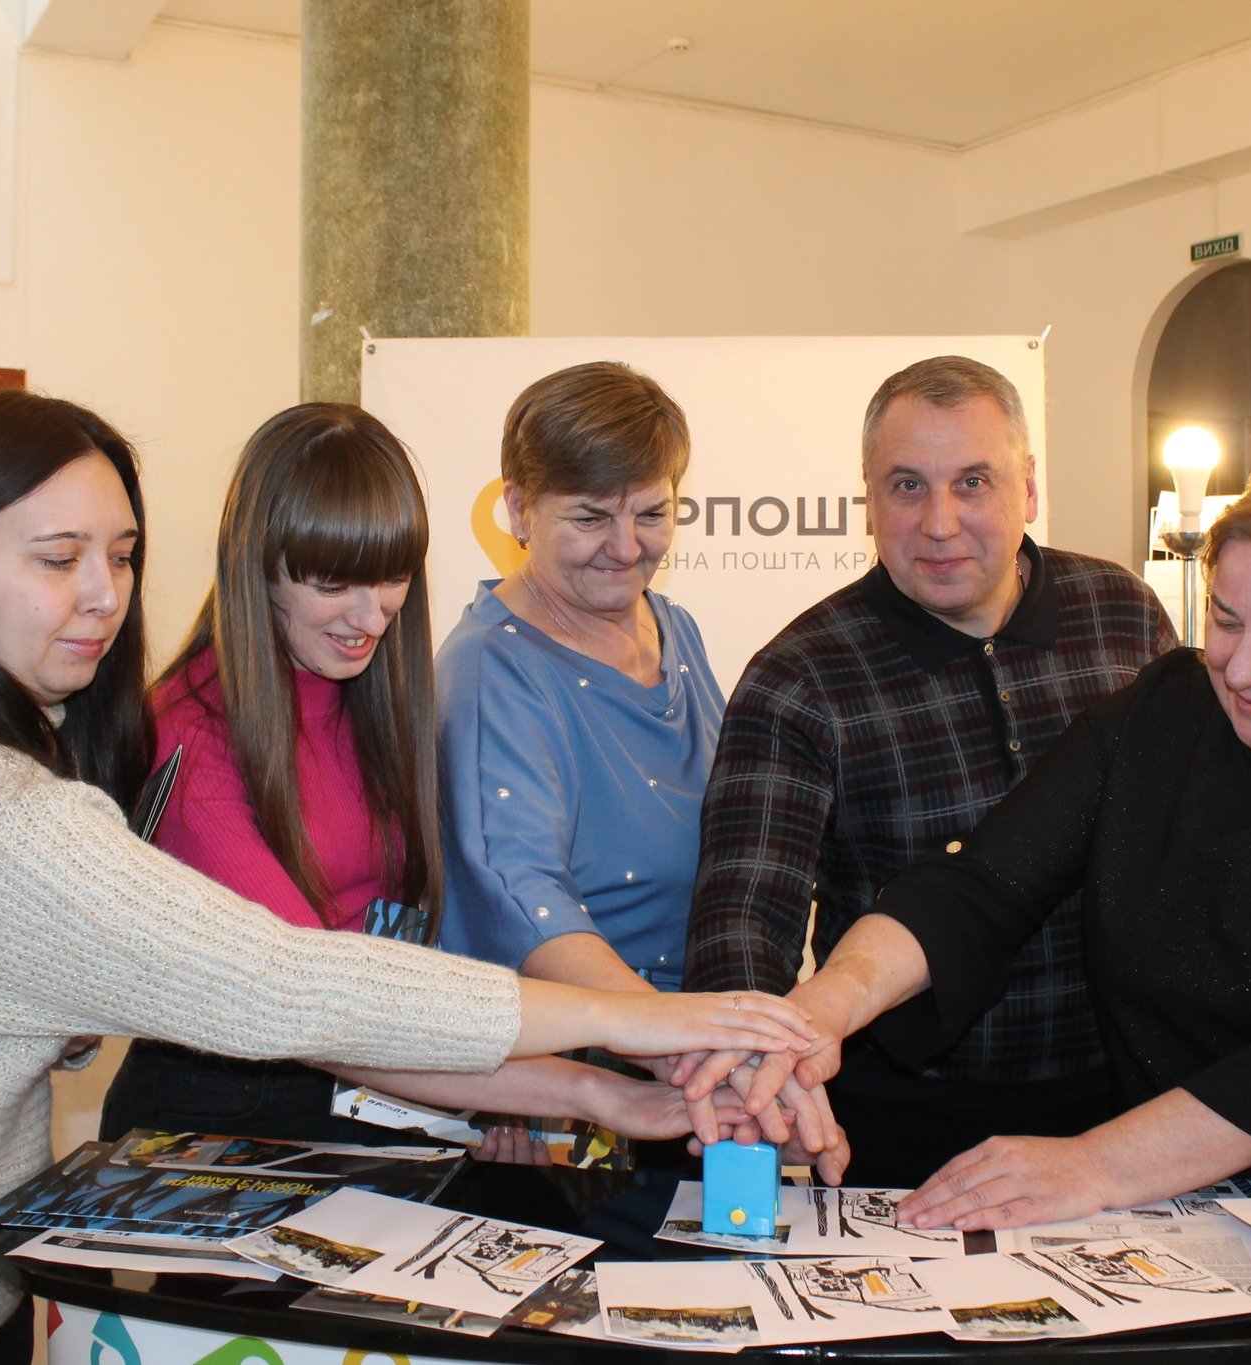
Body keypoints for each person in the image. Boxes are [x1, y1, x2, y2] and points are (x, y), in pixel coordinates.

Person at [0, 390, 820, 1365]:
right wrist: (628, 1042)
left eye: (120, 554)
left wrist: (575, 1088)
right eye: (57, 558)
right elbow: (290, 986)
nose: (103, 595)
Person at [695, 464, 1251, 1227]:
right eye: (1226, 621)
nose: (1243, 667)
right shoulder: (1167, 708)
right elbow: (982, 885)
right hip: (1186, 1197)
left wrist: (1098, 1163)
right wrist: (824, 1009)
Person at [100, 403, 700, 1148]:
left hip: (375, 1091)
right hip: (225, 1123)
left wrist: (505, 1103)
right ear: (258, 566)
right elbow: (317, 1001)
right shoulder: (192, 736)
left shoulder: (372, 691)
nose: (371, 616)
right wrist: (590, 1082)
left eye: (391, 578)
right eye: (332, 584)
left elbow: (403, 949)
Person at [682, 355, 1175, 1186]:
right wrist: (753, 1075)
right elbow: (744, 918)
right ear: (868, 499)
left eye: (973, 481)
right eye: (907, 485)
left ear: (1029, 487)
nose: (940, 522)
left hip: (1125, 1108)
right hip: (901, 1126)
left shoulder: (1122, 614)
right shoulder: (800, 674)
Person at [435, 361, 841, 1167]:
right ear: (518, 508)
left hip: (697, 1053)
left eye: (652, 513)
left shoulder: (673, 625)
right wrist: (690, 1046)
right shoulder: (490, 668)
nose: (626, 548)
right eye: (590, 517)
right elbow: (522, 898)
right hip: (583, 1085)